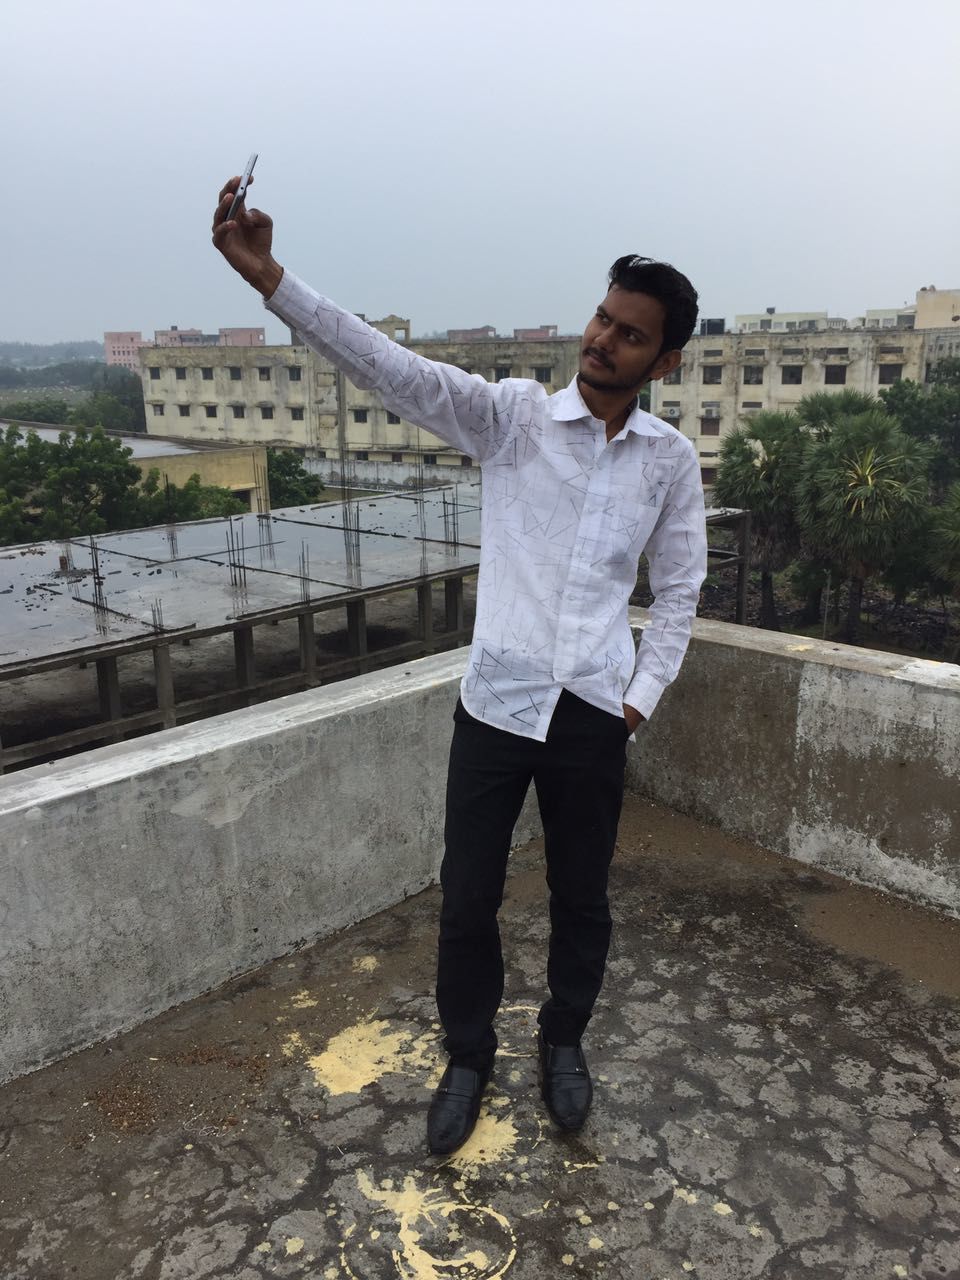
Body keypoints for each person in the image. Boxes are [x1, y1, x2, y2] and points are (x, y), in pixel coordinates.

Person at [213, 176, 707, 1156]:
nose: (603, 341)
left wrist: (636, 700)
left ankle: (564, 1040)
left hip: (591, 714)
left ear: (666, 357)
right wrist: (271, 278)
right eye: (601, 319)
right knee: (468, 894)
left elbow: (683, 592)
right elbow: (391, 368)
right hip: (496, 707)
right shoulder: (514, 419)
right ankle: (468, 1054)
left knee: (581, 897)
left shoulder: (669, 462)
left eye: (629, 333)